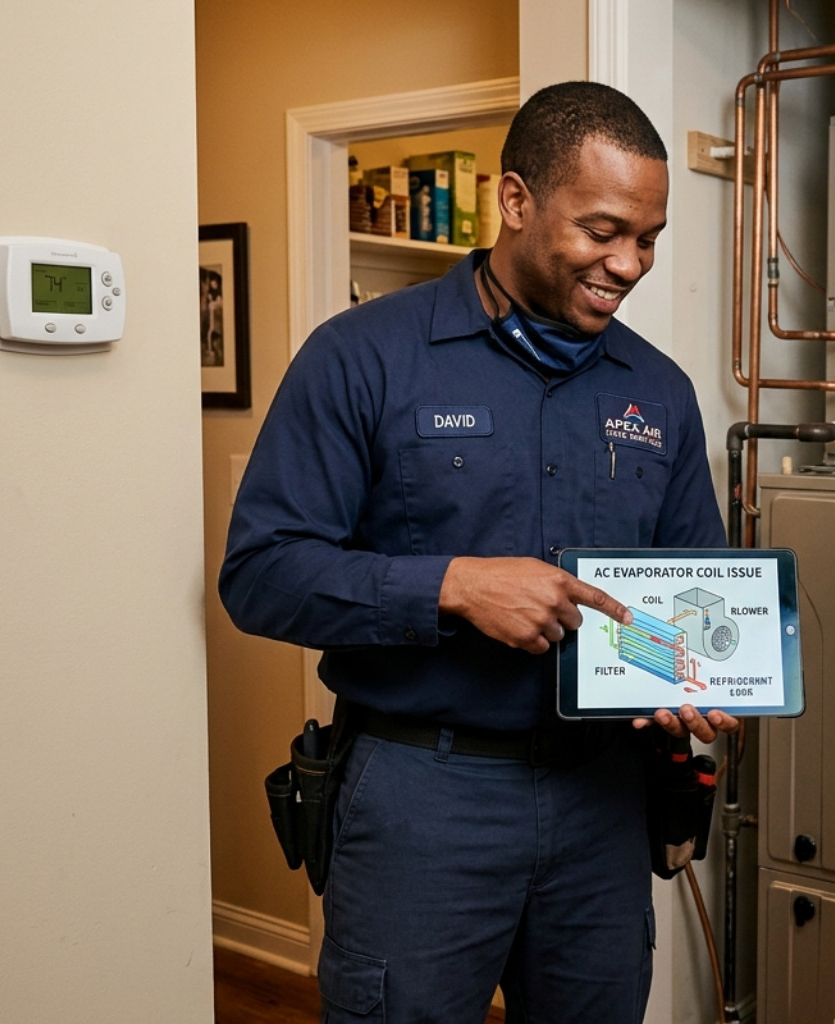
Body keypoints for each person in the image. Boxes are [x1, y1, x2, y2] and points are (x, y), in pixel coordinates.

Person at [220, 81, 737, 1023]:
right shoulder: (362, 357)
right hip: (425, 794)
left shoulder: (658, 391)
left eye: (649, 238)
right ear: (514, 201)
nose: (630, 264)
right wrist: (449, 587)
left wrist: (688, 684)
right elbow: (261, 575)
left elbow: (688, 597)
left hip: (601, 803)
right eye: (603, 231)